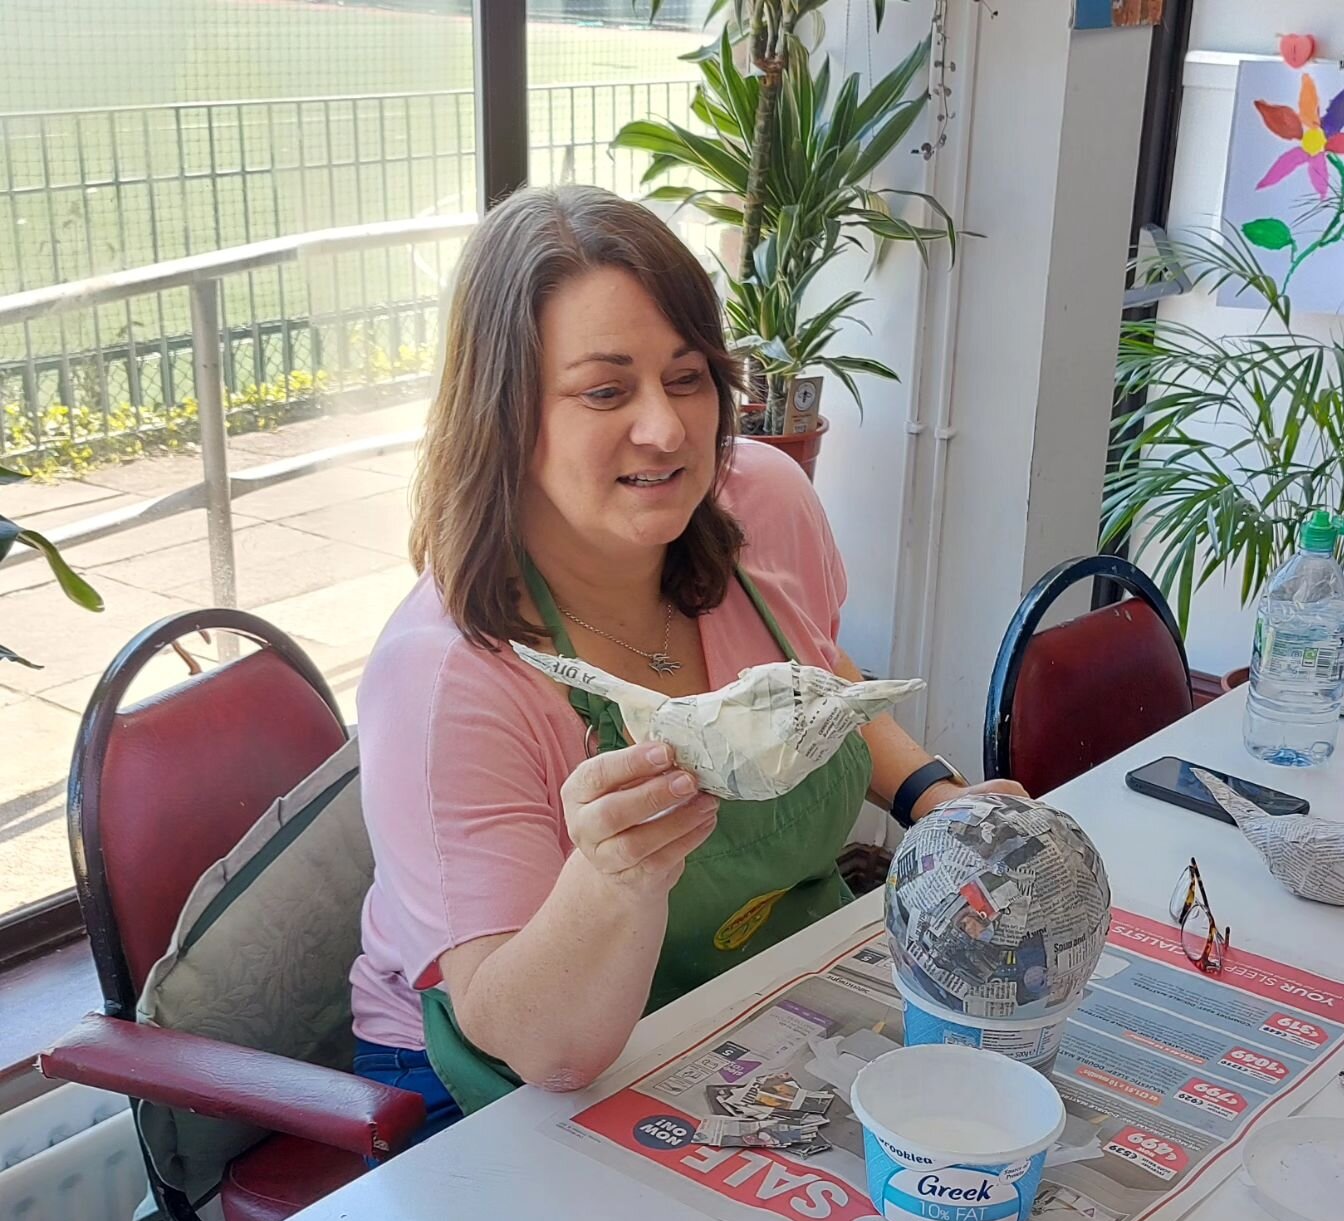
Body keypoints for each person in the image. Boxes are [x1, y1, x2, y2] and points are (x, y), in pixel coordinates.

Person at [350, 185, 1022, 1143]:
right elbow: (533, 1041)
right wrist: (615, 878)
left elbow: (817, 679)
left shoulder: (763, 501)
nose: (666, 430)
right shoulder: (445, 680)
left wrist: (933, 798)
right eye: (604, 390)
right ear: (504, 414)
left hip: (753, 998)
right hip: (492, 1091)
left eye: (689, 377)